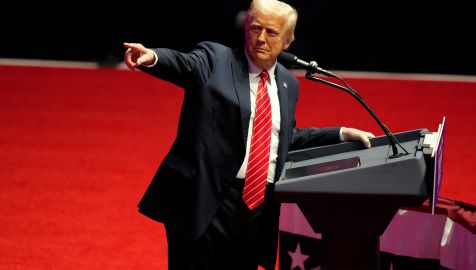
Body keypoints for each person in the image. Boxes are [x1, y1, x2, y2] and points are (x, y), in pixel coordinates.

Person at [123, 0, 374, 269]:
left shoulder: (288, 83)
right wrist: (153, 57)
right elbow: (183, 64)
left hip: (256, 210)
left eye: (272, 32)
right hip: (207, 200)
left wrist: (340, 133)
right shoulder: (215, 59)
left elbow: (280, 139)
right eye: (255, 28)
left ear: (288, 41)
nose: (261, 38)